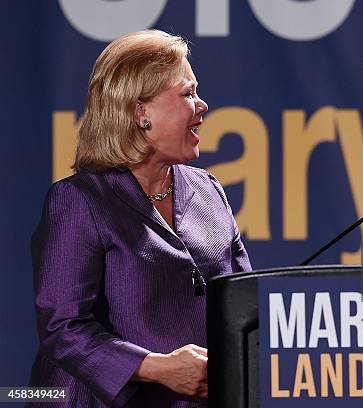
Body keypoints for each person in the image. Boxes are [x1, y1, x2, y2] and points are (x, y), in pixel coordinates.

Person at [29, 30, 251, 407]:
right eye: (187, 93)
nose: (202, 105)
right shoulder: (79, 200)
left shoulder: (209, 190)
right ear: (139, 111)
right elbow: (63, 328)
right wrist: (154, 367)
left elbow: (244, 303)